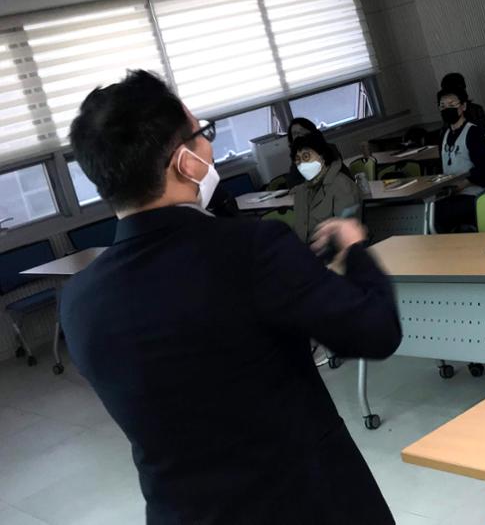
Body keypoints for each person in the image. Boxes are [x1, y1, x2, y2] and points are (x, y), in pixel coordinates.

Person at [61, 71, 401, 524]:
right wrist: (355, 251)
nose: (209, 146)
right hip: (306, 504)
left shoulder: (78, 301)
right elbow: (376, 330)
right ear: (185, 163)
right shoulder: (251, 249)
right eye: (202, 134)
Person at [433, 85, 485, 233]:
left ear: (463, 106)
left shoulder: (473, 131)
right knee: (430, 210)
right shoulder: (444, 134)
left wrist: (464, 183)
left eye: (452, 105)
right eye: (442, 106)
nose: (447, 109)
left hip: (474, 193)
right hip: (453, 193)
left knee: (439, 214)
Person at [291, 130, 361, 246]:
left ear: (322, 157)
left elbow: (346, 232)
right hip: (306, 251)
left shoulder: (342, 185)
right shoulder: (302, 191)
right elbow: (300, 230)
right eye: (298, 160)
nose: (302, 164)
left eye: (306, 157)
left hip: (332, 251)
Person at [285, 117, 341, 187]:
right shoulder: (297, 156)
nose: (299, 135)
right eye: (295, 133)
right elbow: (292, 182)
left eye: (302, 130)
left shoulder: (328, 149)